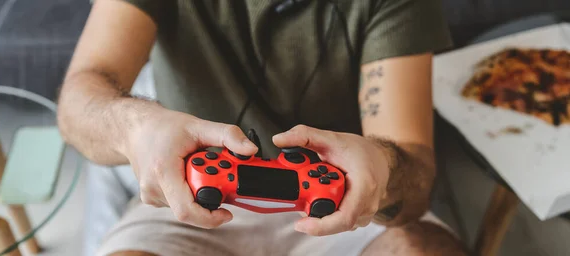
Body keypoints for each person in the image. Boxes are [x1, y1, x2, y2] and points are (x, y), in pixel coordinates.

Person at [57, 0, 468, 255]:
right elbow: (78, 100)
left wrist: (385, 166)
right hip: (188, 204)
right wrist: (137, 128)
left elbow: (415, 178)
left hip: (345, 208)